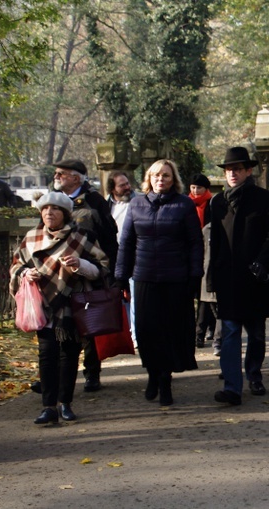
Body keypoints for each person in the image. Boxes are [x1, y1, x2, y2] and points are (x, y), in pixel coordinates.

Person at [10, 192, 108, 424]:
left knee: (69, 355)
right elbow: (16, 266)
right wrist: (26, 273)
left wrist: (81, 264)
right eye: (44, 209)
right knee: (46, 355)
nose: (48, 213)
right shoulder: (32, 237)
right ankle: (48, 407)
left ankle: (65, 403)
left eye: (54, 209)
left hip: (73, 305)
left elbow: (102, 267)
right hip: (42, 304)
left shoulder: (82, 237)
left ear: (65, 213)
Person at [115, 160, 203, 406]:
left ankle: (165, 379)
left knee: (169, 331)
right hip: (144, 277)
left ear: (173, 178)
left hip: (175, 278)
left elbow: (195, 242)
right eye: (155, 175)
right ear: (148, 179)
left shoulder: (184, 205)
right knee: (145, 330)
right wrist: (121, 276)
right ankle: (152, 373)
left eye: (165, 175)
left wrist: (195, 275)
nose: (160, 180)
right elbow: (127, 243)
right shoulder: (136, 204)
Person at [209, 147, 269, 406]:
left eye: (238, 169)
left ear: (248, 171)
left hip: (255, 277)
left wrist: (262, 262)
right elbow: (215, 242)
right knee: (229, 332)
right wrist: (211, 278)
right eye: (229, 169)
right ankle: (232, 387)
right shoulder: (217, 202)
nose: (232, 173)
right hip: (227, 279)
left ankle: (253, 374)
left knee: (256, 333)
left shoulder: (265, 198)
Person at [52, 159, 118, 392]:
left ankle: (92, 372)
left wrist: (110, 272)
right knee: (58, 324)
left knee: (89, 323)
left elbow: (109, 237)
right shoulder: (54, 200)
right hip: (58, 275)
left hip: (88, 272)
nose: (57, 176)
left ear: (76, 178)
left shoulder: (93, 201)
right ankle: (54, 375)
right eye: (56, 173)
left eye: (62, 173)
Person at [106, 172, 137, 347]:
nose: (127, 187)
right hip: (114, 257)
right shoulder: (106, 205)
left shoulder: (137, 201)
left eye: (127, 183)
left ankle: (136, 335)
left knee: (134, 295)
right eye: (122, 185)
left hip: (133, 256)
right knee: (120, 296)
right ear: (112, 189)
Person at [188, 173, 217, 349]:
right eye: (193, 187)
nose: (195, 191)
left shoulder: (212, 204)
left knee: (207, 296)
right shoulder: (186, 204)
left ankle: (206, 331)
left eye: (199, 188)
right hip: (192, 251)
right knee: (200, 296)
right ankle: (200, 331)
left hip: (208, 251)